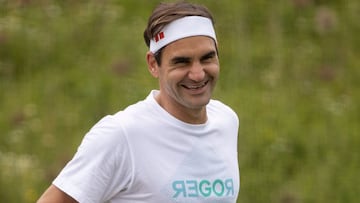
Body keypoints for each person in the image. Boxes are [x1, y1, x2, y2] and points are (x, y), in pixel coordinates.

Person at [37, 1, 240, 203]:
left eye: (207, 58)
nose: (197, 74)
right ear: (153, 64)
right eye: (181, 62)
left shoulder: (226, 120)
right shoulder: (121, 135)